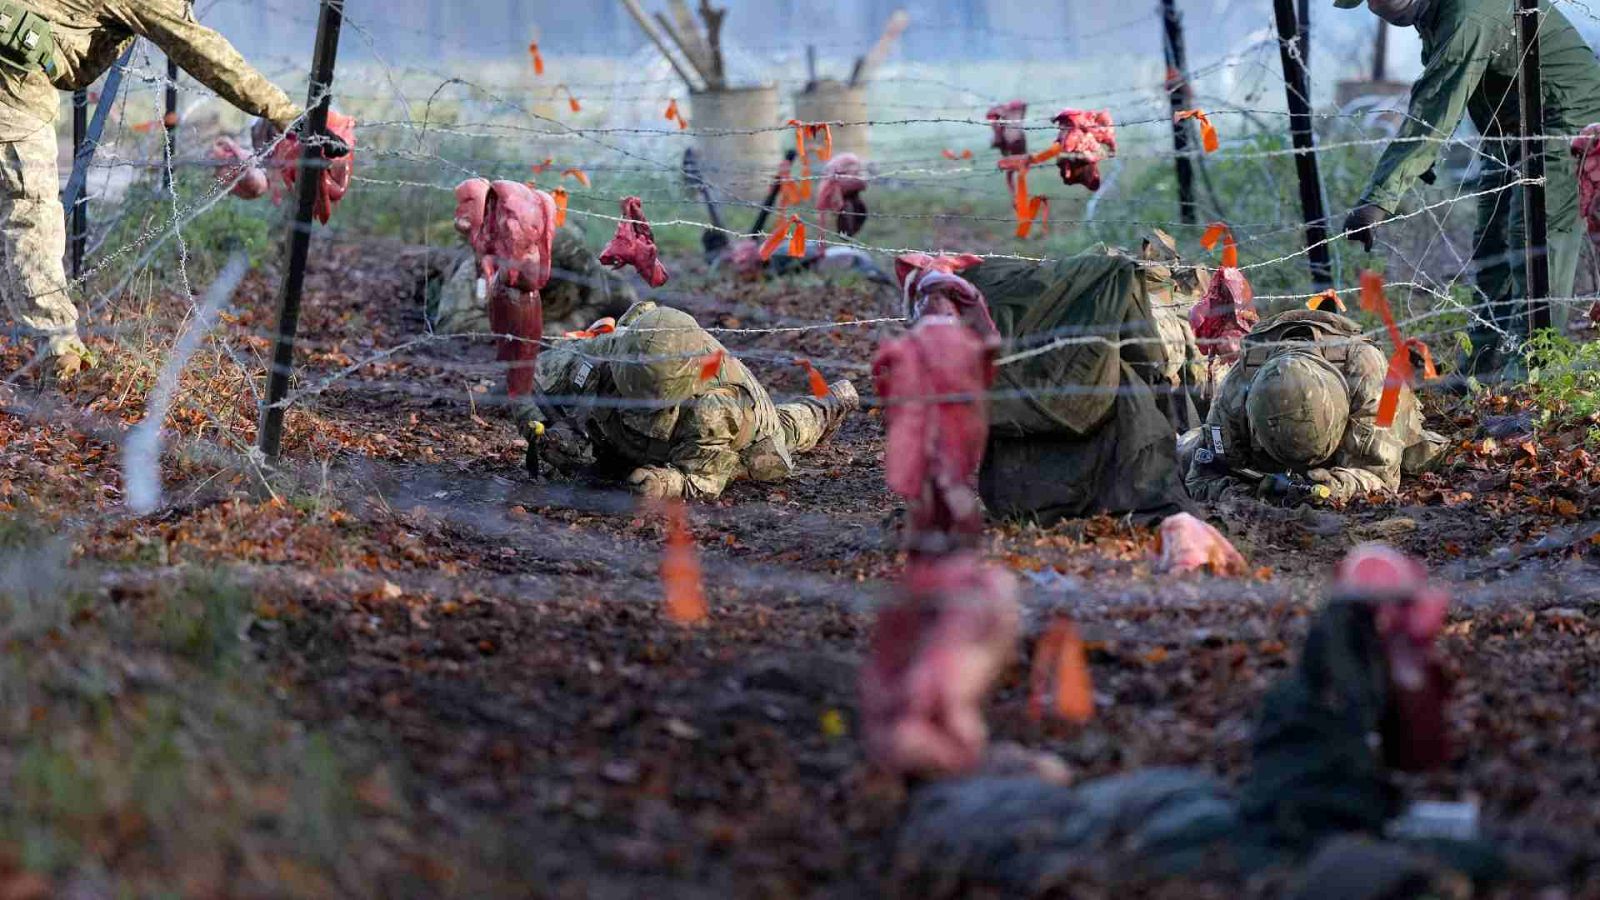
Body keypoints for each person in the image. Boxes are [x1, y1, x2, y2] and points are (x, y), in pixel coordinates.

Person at [0, 0, 346, 379]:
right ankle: (58, 349)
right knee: (30, 206)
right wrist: (289, 114)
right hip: (12, 74)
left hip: (18, 62)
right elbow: (201, 51)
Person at [1338, 0, 1600, 374]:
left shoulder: (1467, 12)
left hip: (1563, 120)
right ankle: (1482, 366)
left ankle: (1530, 375)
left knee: (1533, 240)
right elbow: (1444, 89)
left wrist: (1378, 199)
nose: (1376, 6)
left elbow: (1437, 102)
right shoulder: (1433, 12)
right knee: (1491, 245)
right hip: (1512, 127)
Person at [527, 300, 859, 500]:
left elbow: (703, 480)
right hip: (656, 428)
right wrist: (543, 426)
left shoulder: (714, 407)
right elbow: (542, 373)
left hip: (744, 428)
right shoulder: (623, 345)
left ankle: (832, 403)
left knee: (781, 439)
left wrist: (666, 483)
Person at [958, 248, 1194, 524]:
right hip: (1112, 465)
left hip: (1016, 487)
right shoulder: (1110, 279)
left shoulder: (969, 311)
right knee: (1133, 384)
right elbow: (1149, 358)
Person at [1181, 308, 1445, 504]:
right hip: (1263, 465)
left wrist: (1335, 487)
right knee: (1184, 453)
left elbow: (1381, 477)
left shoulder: (1372, 377)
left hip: (1370, 425)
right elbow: (1203, 477)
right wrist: (1250, 495)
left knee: (1417, 458)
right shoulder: (1235, 389)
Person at [424, 225, 636, 338]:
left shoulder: (579, 262)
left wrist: (567, 326)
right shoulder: (484, 267)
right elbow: (451, 324)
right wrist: (529, 334)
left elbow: (622, 301)